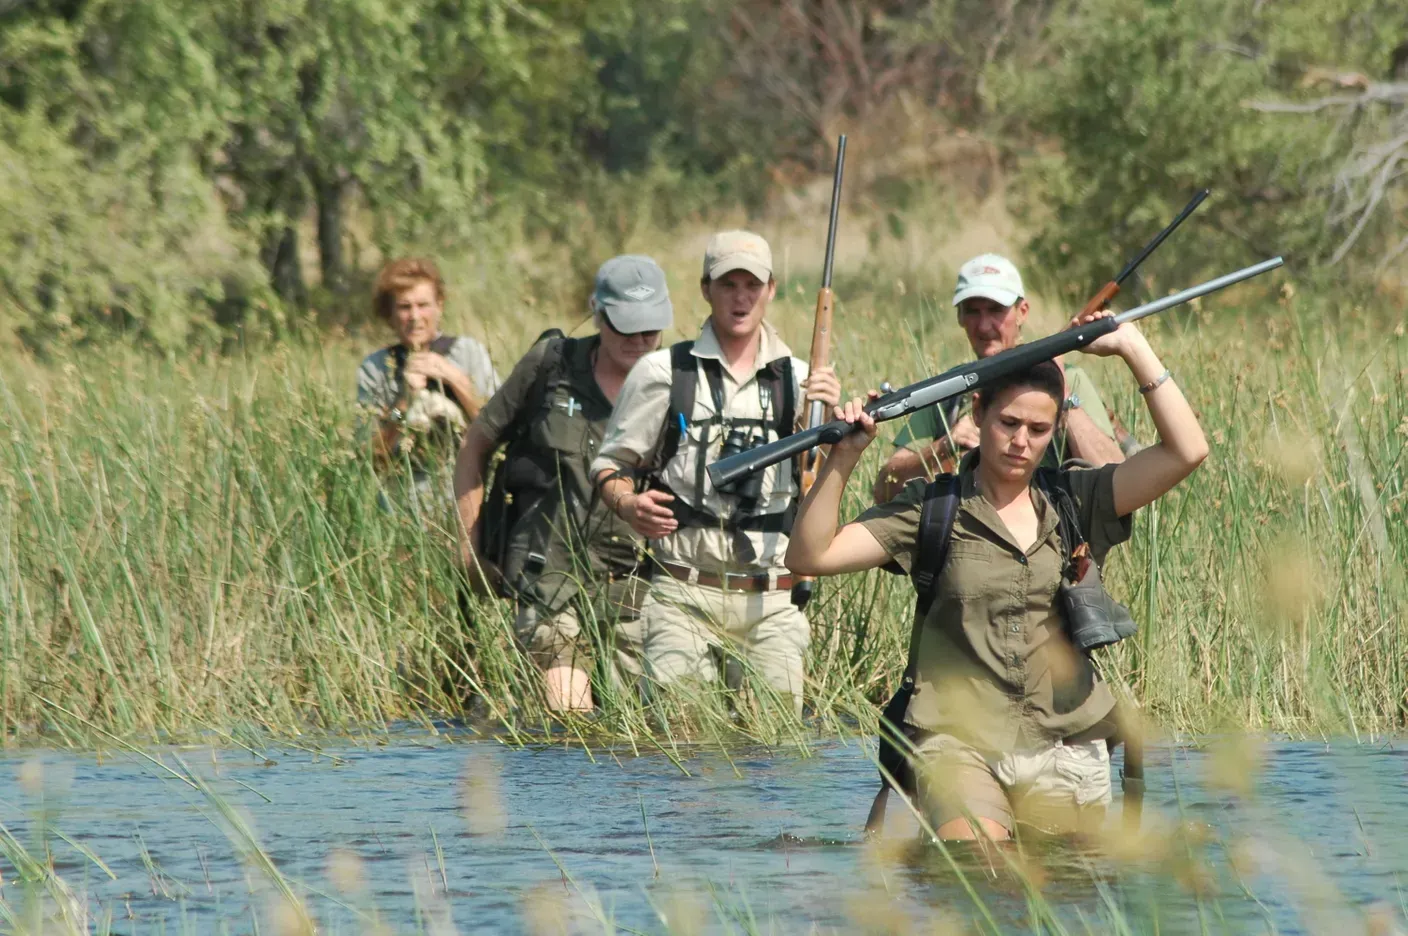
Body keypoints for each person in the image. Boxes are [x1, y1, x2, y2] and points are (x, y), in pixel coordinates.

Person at [786, 307, 1207, 840]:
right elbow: (809, 557)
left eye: (1038, 429)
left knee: (1064, 892)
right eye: (1008, 423)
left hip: (1066, 745)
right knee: (982, 865)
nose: (1021, 442)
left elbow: (1188, 451)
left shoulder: (1079, 498)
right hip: (958, 743)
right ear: (979, 413)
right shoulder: (931, 508)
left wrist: (1132, 348)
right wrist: (843, 457)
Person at [591, 231, 842, 715]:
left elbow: (822, 483)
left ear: (771, 290)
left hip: (771, 597)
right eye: (729, 284)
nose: (741, 297)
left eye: (753, 284)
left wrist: (832, 423)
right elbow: (610, 465)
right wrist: (628, 504)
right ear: (706, 289)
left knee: (776, 757)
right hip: (683, 592)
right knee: (681, 752)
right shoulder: (663, 372)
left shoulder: (802, 378)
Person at [454, 256, 671, 712]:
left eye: (649, 329)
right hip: (548, 572)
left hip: (634, 582)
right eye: (625, 327)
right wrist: (469, 545)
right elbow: (475, 446)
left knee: (637, 732)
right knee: (570, 718)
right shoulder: (551, 367)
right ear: (597, 312)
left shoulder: (676, 382)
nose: (638, 341)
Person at [873, 254, 1133, 504]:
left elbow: (1118, 486)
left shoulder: (1069, 378)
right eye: (973, 311)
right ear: (960, 317)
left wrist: (1062, 396)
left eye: (996, 310)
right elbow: (885, 488)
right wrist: (946, 446)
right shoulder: (946, 390)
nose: (984, 326)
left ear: (1022, 311)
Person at [357, 258, 499, 504]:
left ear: (439, 306)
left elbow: (500, 428)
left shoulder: (467, 352)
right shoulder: (377, 368)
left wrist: (454, 378)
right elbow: (371, 457)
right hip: (404, 499)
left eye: (423, 305)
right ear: (389, 314)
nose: (414, 316)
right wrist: (404, 402)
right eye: (404, 307)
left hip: (467, 491)